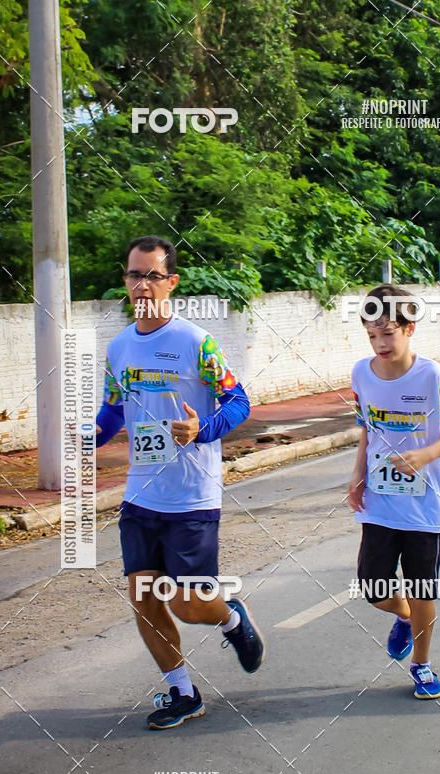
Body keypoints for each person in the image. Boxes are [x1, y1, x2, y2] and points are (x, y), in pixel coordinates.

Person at [95, 235, 264, 729]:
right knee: (144, 600)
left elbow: (239, 402)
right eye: (133, 274)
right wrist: (90, 435)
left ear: (171, 282)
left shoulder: (195, 341)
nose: (142, 284)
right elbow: (112, 411)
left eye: (152, 275)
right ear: (125, 281)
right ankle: (182, 692)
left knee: (191, 606)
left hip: (192, 494)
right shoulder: (119, 346)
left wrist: (201, 429)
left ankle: (231, 617)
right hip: (140, 494)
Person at [347, 284, 440, 699]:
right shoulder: (361, 373)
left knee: (423, 589)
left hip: (424, 505)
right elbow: (367, 430)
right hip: (380, 501)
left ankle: (422, 664)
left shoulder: (432, 376)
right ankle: (402, 618)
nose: (380, 343)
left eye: (388, 333)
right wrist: (357, 476)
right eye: (372, 335)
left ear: (409, 328)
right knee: (373, 587)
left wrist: (425, 454)